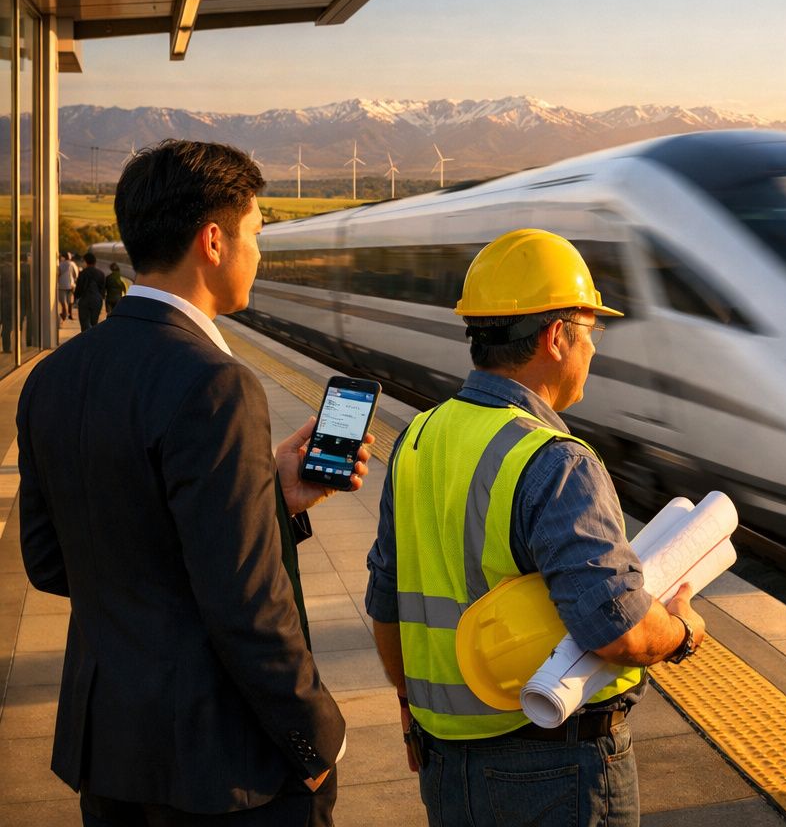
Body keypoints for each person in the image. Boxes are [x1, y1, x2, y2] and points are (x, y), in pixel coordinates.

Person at [19, 139, 374, 826]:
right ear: (214, 241)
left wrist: (265, 494)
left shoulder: (54, 375)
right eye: (257, 235)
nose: (261, 254)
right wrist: (316, 737)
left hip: (111, 755)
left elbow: (52, 559)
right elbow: (246, 604)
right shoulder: (217, 385)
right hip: (223, 769)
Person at [367, 228, 708, 827]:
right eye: (590, 332)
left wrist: (408, 703)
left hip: (445, 763)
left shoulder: (418, 437)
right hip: (556, 771)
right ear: (556, 336)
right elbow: (616, 627)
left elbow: (386, 599)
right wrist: (681, 632)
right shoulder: (555, 460)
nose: (594, 351)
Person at [73, 252, 107, 331]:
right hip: (97, 300)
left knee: (85, 323)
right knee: (94, 323)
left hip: (85, 300)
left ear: (86, 261)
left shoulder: (83, 273)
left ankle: (85, 341)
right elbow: (103, 289)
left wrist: (76, 298)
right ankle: (92, 340)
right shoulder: (101, 273)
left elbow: (79, 287)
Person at [56, 251, 77, 321]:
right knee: (70, 301)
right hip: (71, 285)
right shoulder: (72, 264)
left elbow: (58, 274)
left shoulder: (61, 264)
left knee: (63, 302)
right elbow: (76, 274)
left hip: (62, 285)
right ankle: (70, 315)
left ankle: (64, 315)